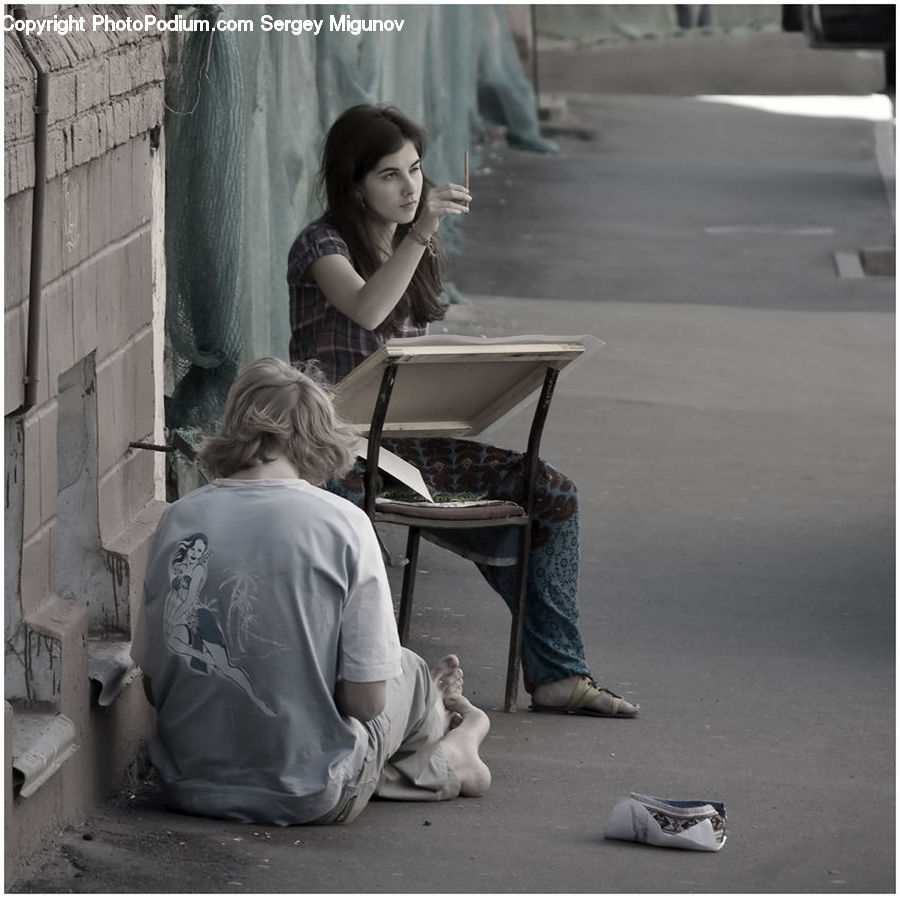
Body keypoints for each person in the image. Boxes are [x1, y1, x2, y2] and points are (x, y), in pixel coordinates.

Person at [287, 104, 639, 719]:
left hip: (405, 448)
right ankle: (364, 691)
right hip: (333, 449)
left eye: (415, 170)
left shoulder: (410, 248)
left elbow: (414, 359)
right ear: (354, 186)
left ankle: (558, 674)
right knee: (346, 521)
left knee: (550, 492)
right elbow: (368, 310)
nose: (410, 187)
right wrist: (421, 234)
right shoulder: (322, 244)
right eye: (389, 176)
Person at [132, 357, 491, 825]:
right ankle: (449, 749)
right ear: (317, 437)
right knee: (409, 669)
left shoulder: (178, 518)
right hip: (311, 794)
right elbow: (364, 704)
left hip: (186, 785)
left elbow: (153, 684)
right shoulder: (342, 524)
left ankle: (428, 730)